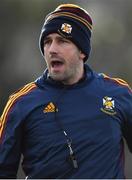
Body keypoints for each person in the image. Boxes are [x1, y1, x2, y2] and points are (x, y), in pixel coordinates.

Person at [0, 3, 132, 179]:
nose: (52, 49)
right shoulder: (21, 103)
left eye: (62, 41)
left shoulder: (118, 93)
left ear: (82, 52)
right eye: (47, 42)